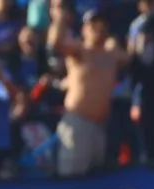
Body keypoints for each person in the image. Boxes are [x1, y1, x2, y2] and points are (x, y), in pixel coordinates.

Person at [48, 7, 130, 176]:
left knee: (95, 179)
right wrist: (59, 20)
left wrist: (120, 41)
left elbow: (130, 57)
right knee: (72, 176)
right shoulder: (79, 50)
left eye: (101, 24)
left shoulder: (111, 54)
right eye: (92, 24)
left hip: (100, 126)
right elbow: (56, 43)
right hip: (79, 122)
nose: (97, 27)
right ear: (84, 28)